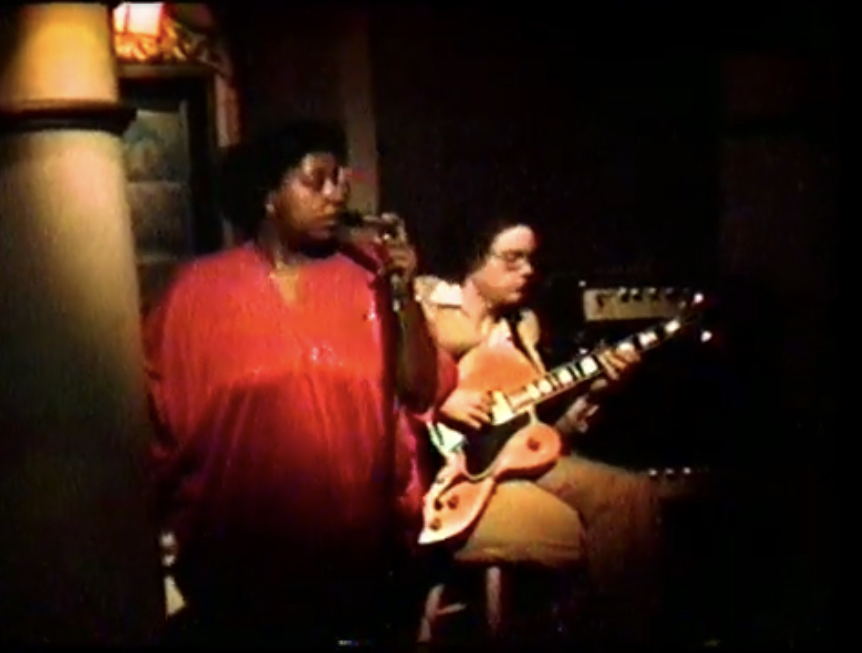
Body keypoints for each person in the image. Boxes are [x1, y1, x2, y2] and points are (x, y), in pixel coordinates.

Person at [142, 121, 458, 645]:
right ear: (269, 195)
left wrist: (403, 296)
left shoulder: (370, 277)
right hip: (240, 577)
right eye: (317, 181)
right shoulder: (195, 294)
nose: (336, 195)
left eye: (340, 181)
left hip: (361, 567)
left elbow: (421, 389)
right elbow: (154, 419)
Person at [414, 214, 664, 647]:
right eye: (512, 259)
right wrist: (440, 398)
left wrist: (598, 391)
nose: (527, 271)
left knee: (632, 494)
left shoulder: (522, 330)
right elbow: (391, 391)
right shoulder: (426, 312)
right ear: (473, 259)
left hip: (517, 466)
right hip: (450, 483)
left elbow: (544, 435)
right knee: (611, 527)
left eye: (531, 260)